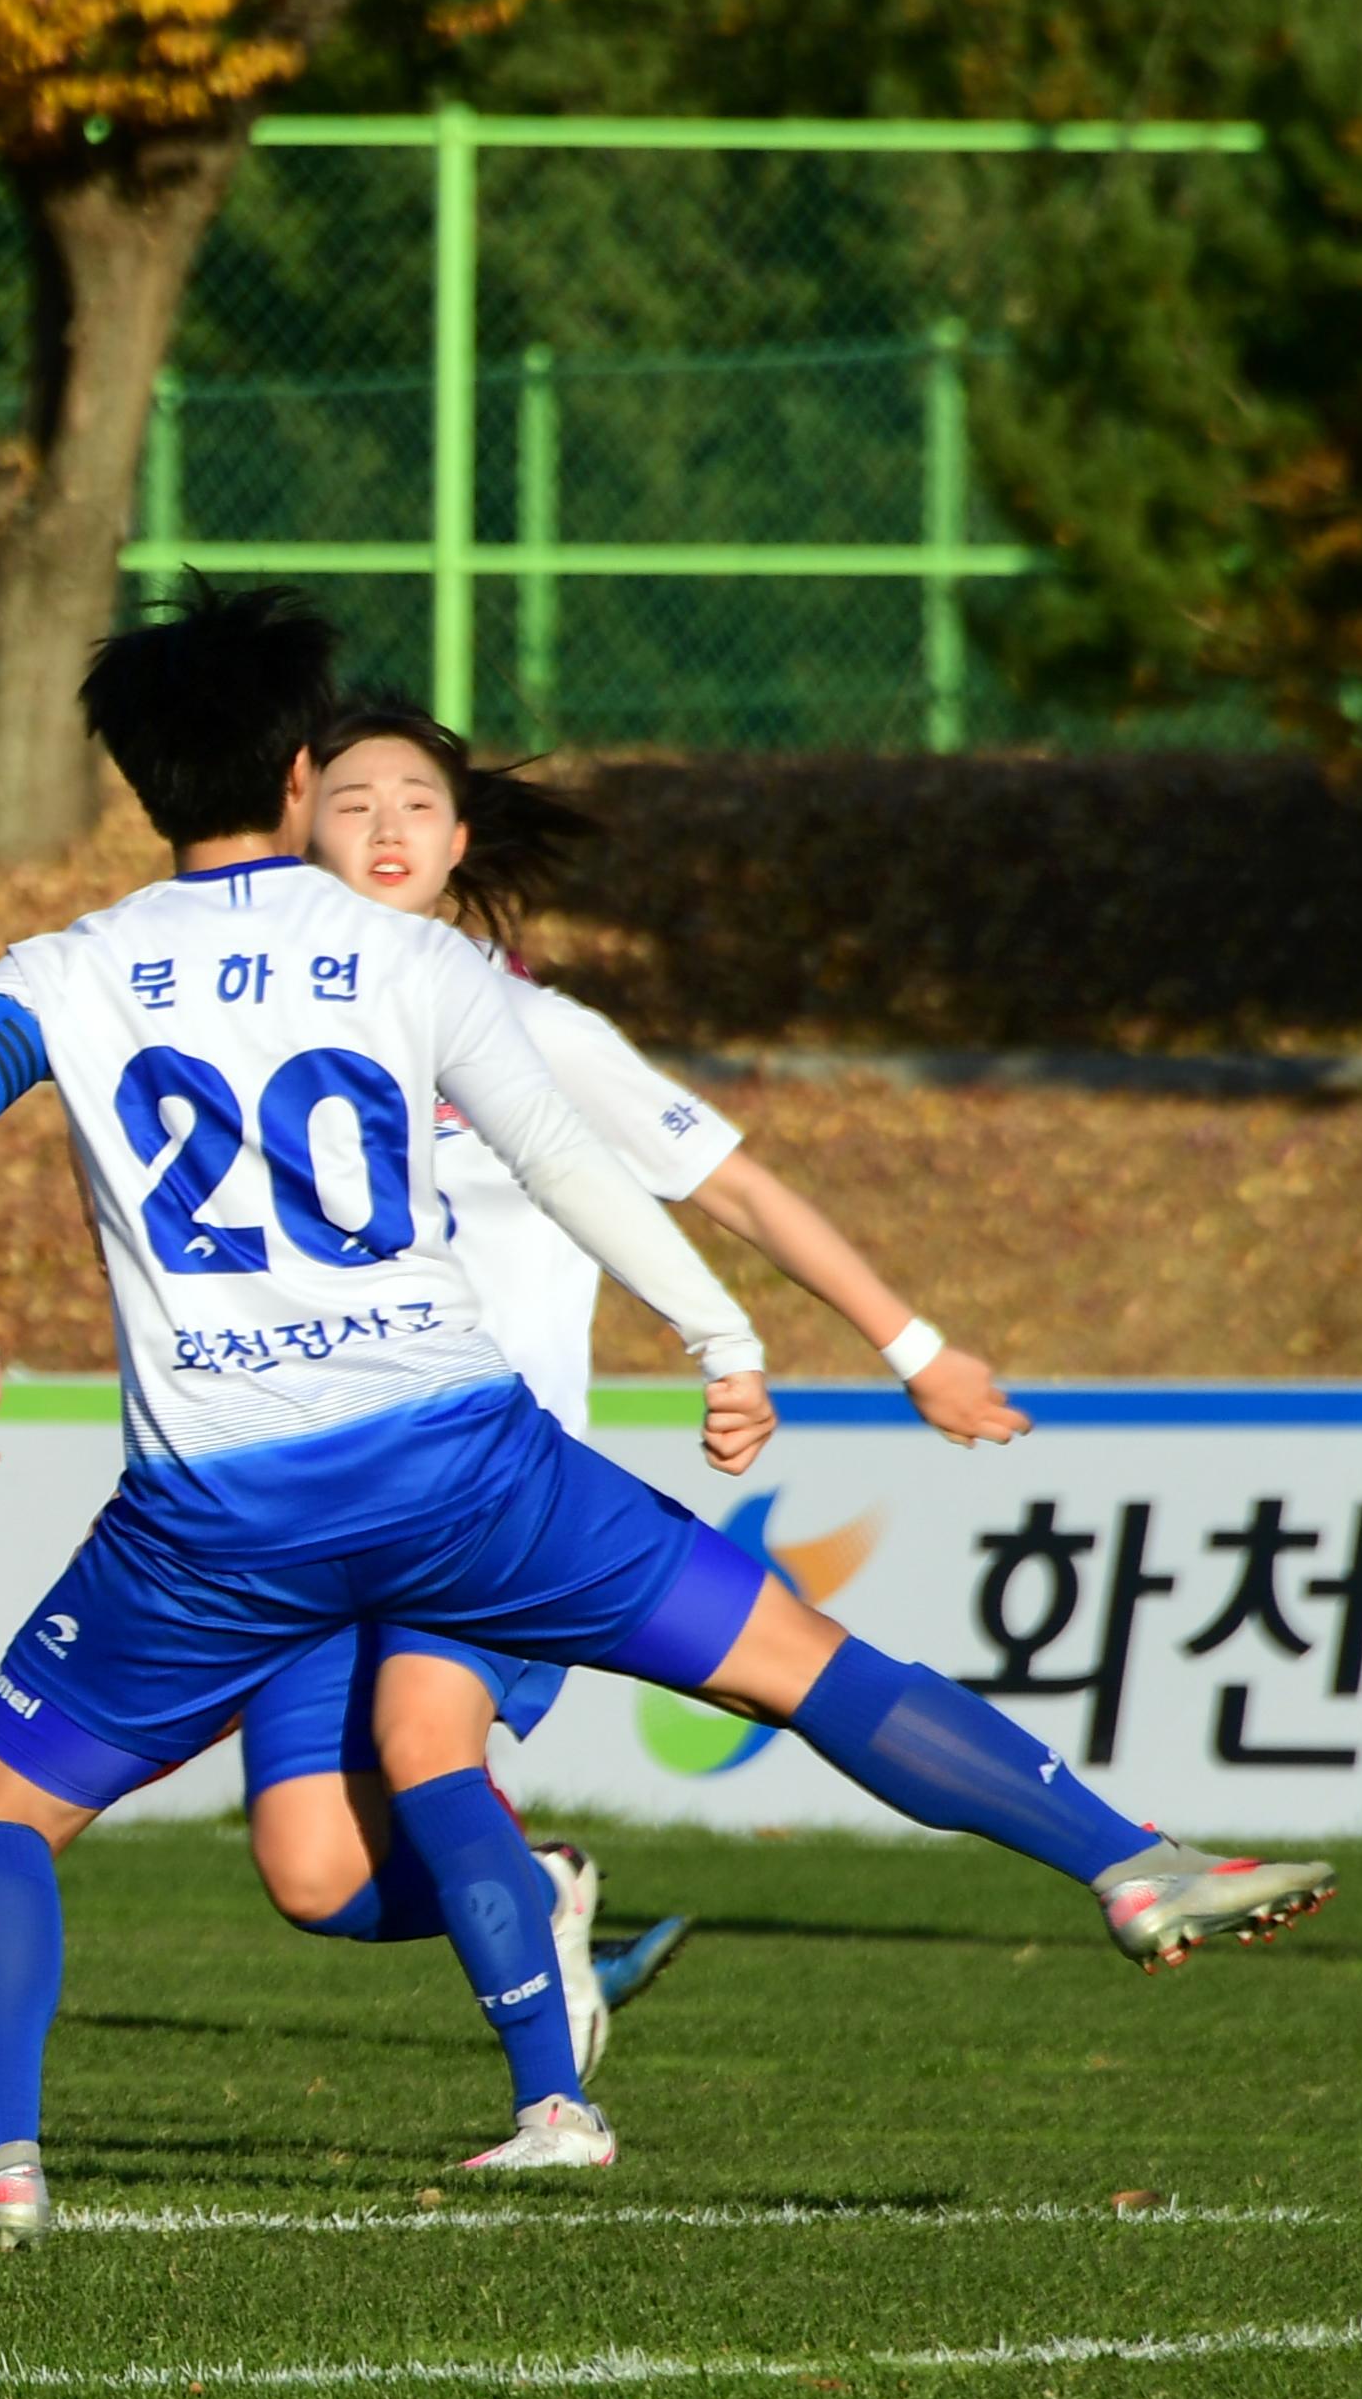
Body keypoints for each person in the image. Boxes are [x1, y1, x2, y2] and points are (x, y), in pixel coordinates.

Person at [0, 586, 1334, 2233]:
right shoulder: (408, 954)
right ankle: (1123, 1860)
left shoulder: (70, 965)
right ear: (296, 773)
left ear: (136, 777)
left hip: (225, 1503)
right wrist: (716, 1334)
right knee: (797, 1661)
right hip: (460, 1467)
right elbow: (567, 1163)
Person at [227, 701, 1040, 2075]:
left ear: (461, 839)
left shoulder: (529, 1028)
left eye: (414, 806)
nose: (381, 832)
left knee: (430, 1737)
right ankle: (537, 1904)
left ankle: (554, 2105)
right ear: (296, 819)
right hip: (307, 1489)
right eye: (352, 804)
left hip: (500, 1491)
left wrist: (914, 1349)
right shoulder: (241, 1028)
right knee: (311, 1871)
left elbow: (735, 1185)